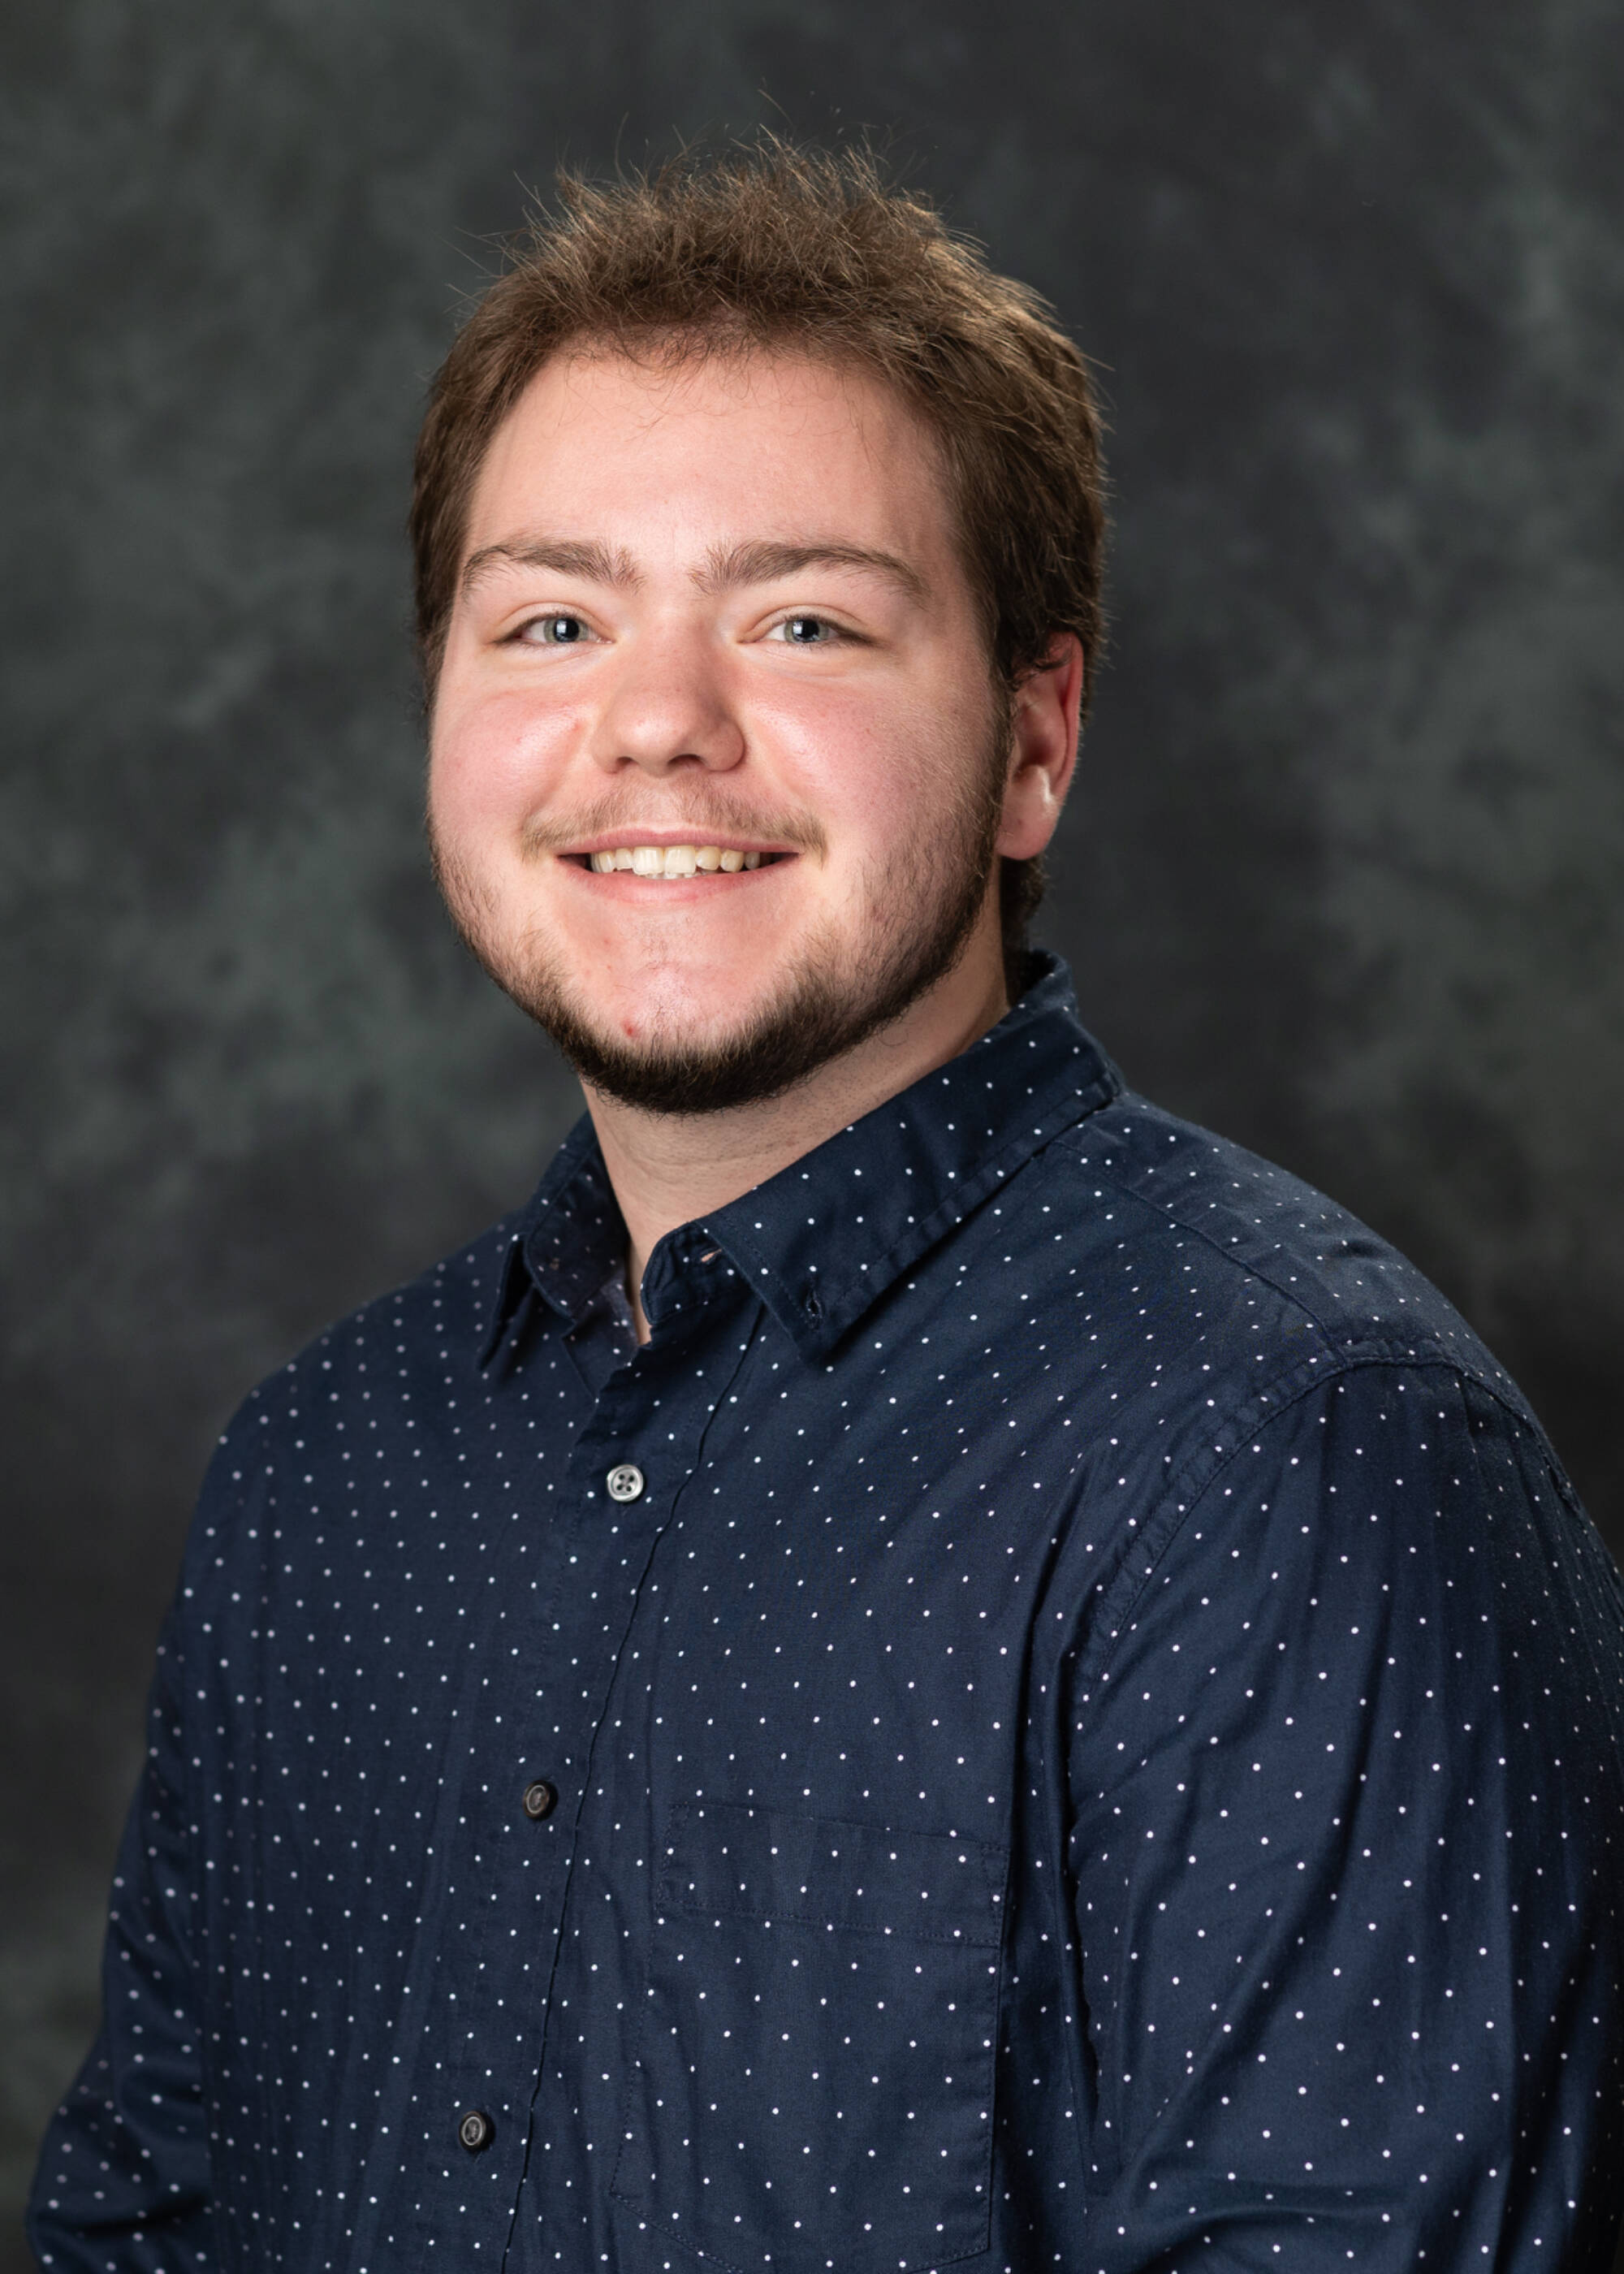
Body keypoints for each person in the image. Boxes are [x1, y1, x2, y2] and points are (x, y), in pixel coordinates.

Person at [29, 145, 1624, 2274]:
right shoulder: (317, 1481)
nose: (660, 724)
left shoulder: (1299, 1466)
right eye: (555, 618)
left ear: (1034, 742)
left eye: (801, 620)